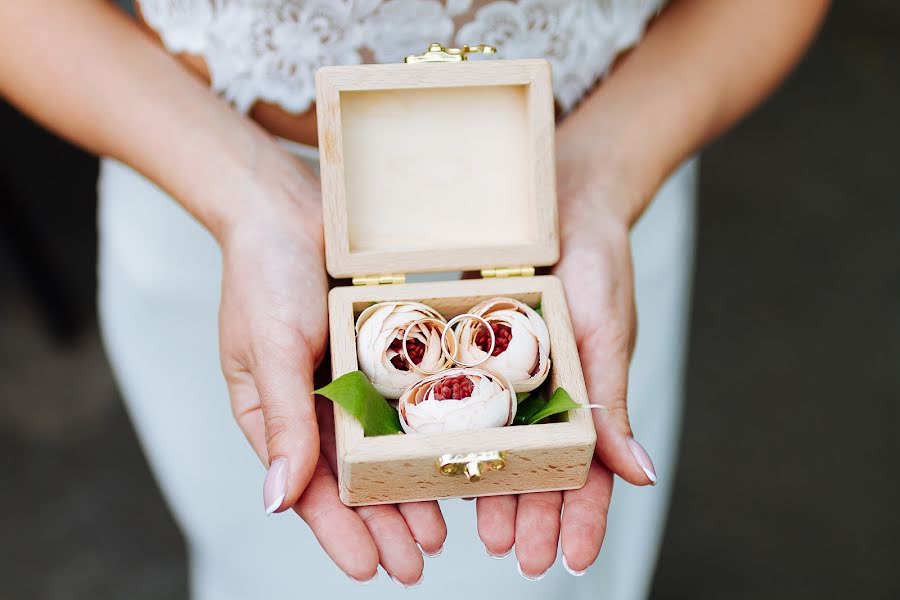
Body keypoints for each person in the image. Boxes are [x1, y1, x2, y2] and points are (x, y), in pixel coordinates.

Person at [0, 1, 828, 598]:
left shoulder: (586, 214)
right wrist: (245, 195)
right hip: (216, 203)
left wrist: (605, 179)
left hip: (591, 193)